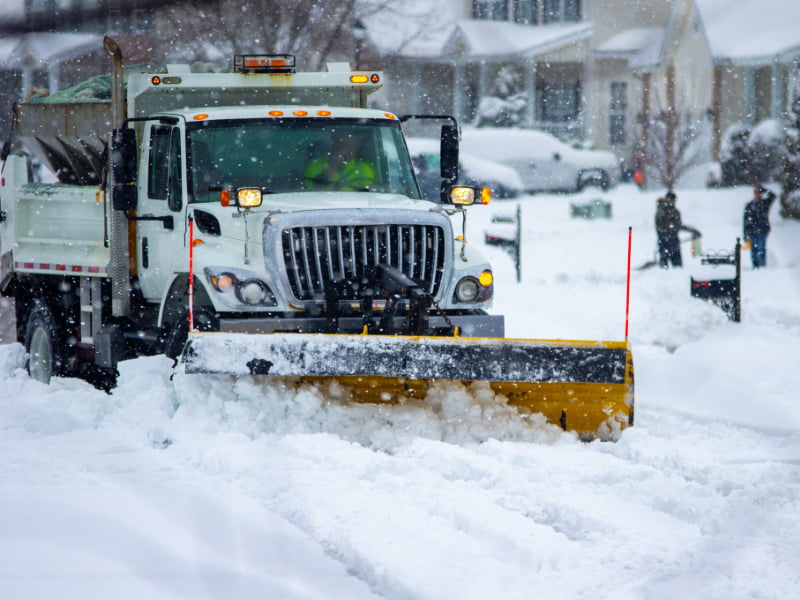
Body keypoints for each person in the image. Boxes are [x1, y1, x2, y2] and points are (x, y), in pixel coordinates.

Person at [304, 131, 375, 191]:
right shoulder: (317, 164)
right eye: (342, 145)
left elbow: (371, 194)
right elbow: (314, 189)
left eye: (350, 146)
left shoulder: (364, 168)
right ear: (333, 147)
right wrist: (333, 166)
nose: (347, 150)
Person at [655, 191, 694, 268]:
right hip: (665, 240)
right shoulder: (662, 211)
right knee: (665, 267)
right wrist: (670, 233)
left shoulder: (673, 211)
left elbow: (678, 225)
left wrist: (691, 230)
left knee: (677, 267)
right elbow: (662, 226)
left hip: (671, 240)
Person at [743, 184, 777, 268]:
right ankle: (755, 267)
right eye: (755, 192)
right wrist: (745, 234)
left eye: (759, 192)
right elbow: (745, 220)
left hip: (762, 230)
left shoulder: (764, 203)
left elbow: (773, 196)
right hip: (751, 231)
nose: (757, 194)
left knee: (761, 248)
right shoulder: (749, 205)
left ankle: (762, 266)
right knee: (753, 251)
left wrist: (764, 189)